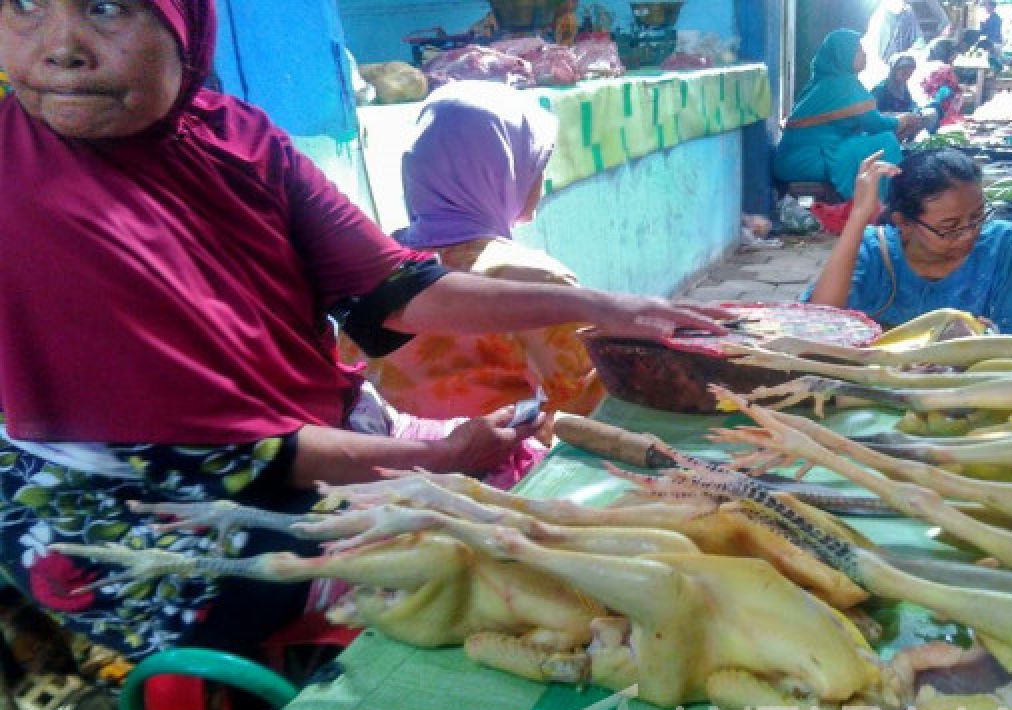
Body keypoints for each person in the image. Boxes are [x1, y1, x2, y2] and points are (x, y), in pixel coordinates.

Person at [0, 0, 727, 659]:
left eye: (105, 8)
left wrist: (603, 306)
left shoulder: (239, 139)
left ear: (185, 23)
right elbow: (228, 450)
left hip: (308, 442)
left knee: (544, 513)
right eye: (24, 6)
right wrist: (440, 461)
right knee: (501, 573)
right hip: (146, 516)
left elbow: (402, 289)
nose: (60, 48)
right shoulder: (25, 201)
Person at [343, 81, 604, 424]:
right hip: (506, 469)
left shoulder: (374, 267)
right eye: (536, 162)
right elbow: (588, 410)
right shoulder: (532, 281)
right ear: (502, 167)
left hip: (394, 471)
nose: (540, 176)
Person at [807, 149, 1012, 335]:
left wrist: (987, 339)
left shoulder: (998, 244)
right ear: (904, 223)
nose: (969, 234)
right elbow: (818, 323)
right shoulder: (873, 251)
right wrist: (858, 216)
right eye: (949, 228)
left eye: (977, 217)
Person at [774, 30, 921, 201]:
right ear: (844, 55)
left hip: (792, 159)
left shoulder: (825, 80)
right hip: (808, 161)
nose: (864, 54)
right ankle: (880, 205)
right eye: (858, 50)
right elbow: (875, 124)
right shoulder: (843, 84)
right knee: (885, 142)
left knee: (871, 141)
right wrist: (902, 121)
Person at [862, 0, 925, 88]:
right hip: (881, 70)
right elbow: (875, 53)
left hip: (903, 67)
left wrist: (909, 57)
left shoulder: (907, 12)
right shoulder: (878, 16)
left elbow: (918, 40)